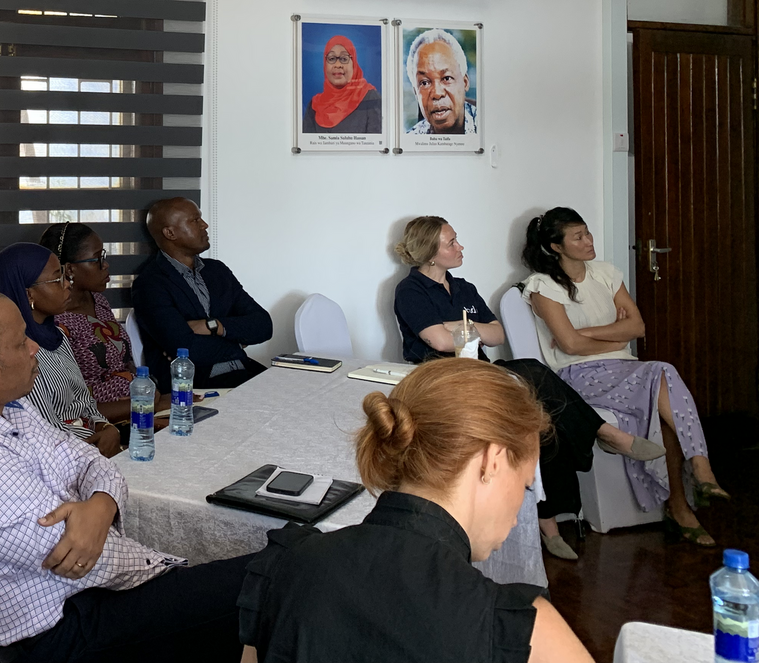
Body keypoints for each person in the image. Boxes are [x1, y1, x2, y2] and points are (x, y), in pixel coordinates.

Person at [0, 290, 253, 663]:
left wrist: (100, 506)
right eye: (20, 342)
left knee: (270, 581)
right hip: (60, 634)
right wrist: (161, 565)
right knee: (270, 580)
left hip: (86, 602)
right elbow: (82, 557)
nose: (33, 348)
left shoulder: (12, 409)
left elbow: (90, 461)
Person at [237, 359, 595, 663]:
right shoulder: (521, 630)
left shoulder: (283, 565)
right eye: (526, 486)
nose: (519, 513)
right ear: (493, 461)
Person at [392, 216, 664, 561]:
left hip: (481, 373)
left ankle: (549, 524)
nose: (460, 247)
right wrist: (469, 328)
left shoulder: (463, 288)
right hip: (440, 378)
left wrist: (458, 326)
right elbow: (438, 342)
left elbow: (497, 334)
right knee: (533, 372)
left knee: (542, 415)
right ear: (431, 253)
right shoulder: (411, 291)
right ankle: (605, 434)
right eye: (451, 243)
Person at [521, 208, 729, 546]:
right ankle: (695, 479)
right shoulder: (543, 286)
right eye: (578, 237)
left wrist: (591, 333)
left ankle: (687, 493)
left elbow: (637, 328)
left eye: (587, 232)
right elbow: (570, 346)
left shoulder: (606, 273)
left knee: (663, 380)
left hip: (625, 368)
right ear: (556, 247)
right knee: (662, 378)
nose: (588, 241)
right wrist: (615, 335)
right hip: (579, 375)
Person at [0, 242, 123, 456]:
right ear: (28, 294)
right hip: (63, 457)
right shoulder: (16, 354)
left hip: (90, 445)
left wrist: (105, 427)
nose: (68, 284)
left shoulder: (58, 335)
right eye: (57, 279)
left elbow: (85, 402)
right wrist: (93, 443)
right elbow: (45, 429)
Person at [132, 198, 273, 388]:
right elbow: (186, 349)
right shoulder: (150, 284)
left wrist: (214, 326)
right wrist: (238, 343)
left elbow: (264, 325)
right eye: (195, 220)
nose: (205, 225)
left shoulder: (217, 271)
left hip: (243, 370)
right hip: (194, 384)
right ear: (170, 233)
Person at [41, 221, 169, 421]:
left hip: (141, 402)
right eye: (97, 259)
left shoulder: (98, 301)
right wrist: (144, 404)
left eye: (104, 256)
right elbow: (71, 408)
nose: (106, 265)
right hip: (107, 421)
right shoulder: (56, 322)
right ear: (70, 269)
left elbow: (124, 364)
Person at [303, 34, 382, 133]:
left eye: (344, 59)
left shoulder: (370, 98)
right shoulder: (314, 105)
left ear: (354, 64)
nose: (337, 65)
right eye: (331, 59)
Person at [405, 28, 477, 135]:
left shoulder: (488, 129)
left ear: (465, 82)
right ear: (416, 92)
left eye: (446, 78)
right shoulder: (411, 139)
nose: (437, 94)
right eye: (424, 83)